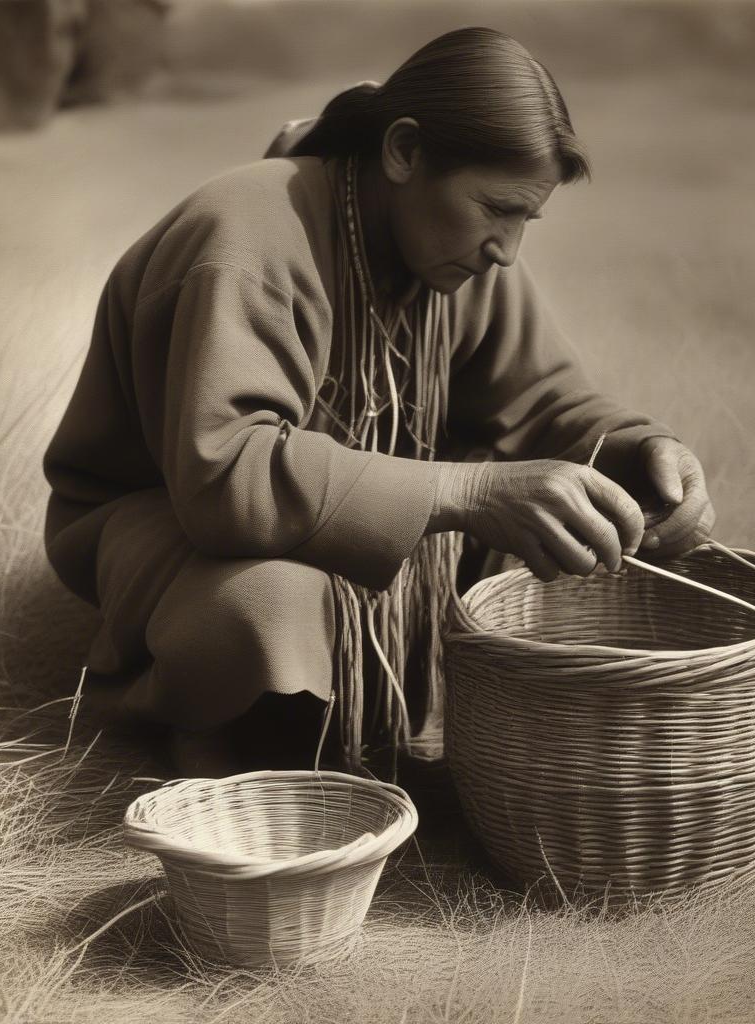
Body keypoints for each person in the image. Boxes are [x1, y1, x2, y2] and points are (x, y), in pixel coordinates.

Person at [41, 27, 715, 778]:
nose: (507, 250)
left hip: (314, 520)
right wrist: (463, 491)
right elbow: (224, 480)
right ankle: (203, 729)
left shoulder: (455, 252)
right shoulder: (245, 237)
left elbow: (541, 400)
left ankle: (369, 728)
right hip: (164, 527)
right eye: (496, 209)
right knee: (264, 604)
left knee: (560, 529)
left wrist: (640, 452)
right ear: (402, 152)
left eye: (525, 219)